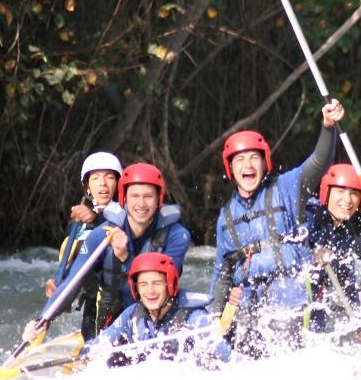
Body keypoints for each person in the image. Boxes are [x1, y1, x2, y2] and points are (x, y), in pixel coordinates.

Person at [208, 99, 345, 355]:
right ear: (230, 168)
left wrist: (328, 127)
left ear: (265, 163)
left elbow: (318, 163)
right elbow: (222, 273)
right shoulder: (226, 217)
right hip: (249, 307)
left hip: (291, 295)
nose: (247, 166)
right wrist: (214, 315)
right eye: (240, 160)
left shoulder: (286, 188)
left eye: (253, 159)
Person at [27, 162, 191, 343]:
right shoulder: (101, 235)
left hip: (158, 318)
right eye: (135, 196)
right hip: (112, 319)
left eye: (148, 196)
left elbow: (159, 289)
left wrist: (126, 257)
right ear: (124, 199)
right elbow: (74, 280)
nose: (141, 204)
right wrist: (43, 319)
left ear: (158, 199)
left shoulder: (177, 236)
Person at [79, 252, 230, 365]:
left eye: (157, 283)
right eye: (143, 284)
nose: (150, 291)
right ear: (136, 288)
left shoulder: (195, 319)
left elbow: (227, 358)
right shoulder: (132, 314)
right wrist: (86, 353)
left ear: (169, 285)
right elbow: (101, 342)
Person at [44, 152, 122, 337]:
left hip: (124, 305)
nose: (103, 183)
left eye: (109, 177)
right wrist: (59, 287)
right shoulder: (81, 227)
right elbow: (77, 274)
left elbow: (119, 219)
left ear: (118, 184)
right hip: (94, 309)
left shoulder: (131, 212)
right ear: (87, 186)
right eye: (96, 178)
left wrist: (96, 218)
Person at [306, 163, 361, 335]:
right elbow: (290, 243)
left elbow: (347, 283)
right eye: (340, 192)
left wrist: (358, 324)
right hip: (291, 302)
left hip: (316, 306)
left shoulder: (346, 232)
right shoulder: (311, 214)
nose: (347, 200)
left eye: (354, 194)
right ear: (326, 192)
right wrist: (312, 253)